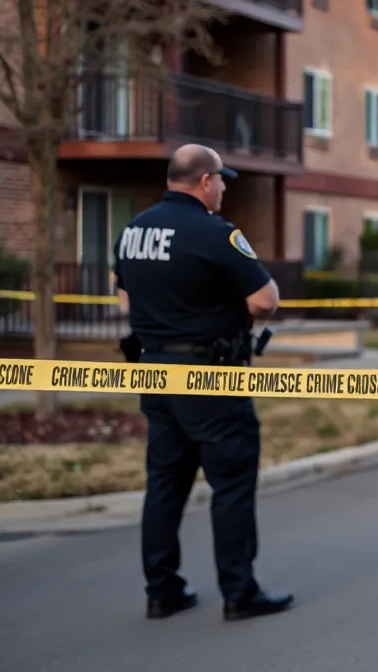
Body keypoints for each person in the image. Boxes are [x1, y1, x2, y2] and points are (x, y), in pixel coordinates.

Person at [114, 143, 294, 623]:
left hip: (155, 372)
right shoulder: (216, 232)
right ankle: (240, 591)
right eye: (222, 179)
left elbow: (124, 301)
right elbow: (264, 301)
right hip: (210, 376)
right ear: (204, 181)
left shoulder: (133, 230)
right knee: (231, 482)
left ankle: (162, 590)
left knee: (165, 484)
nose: (225, 187)